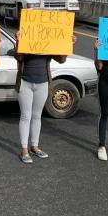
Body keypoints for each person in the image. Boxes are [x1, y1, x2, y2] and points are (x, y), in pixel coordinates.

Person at [14, 35, 74, 163]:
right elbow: (18, 56)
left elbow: (61, 59)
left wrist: (68, 44)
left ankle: (34, 146)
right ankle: (24, 149)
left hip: (43, 83)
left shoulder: (49, 38)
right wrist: (19, 41)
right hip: (25, 82)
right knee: (25, 116)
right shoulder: (26, 36)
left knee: (37, 116)